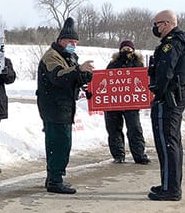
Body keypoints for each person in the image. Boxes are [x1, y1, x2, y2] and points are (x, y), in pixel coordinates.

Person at [36, 18, 94, 194]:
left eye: (75, 42)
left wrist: (84, 76)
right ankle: (55, 179)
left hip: (64, 106)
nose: (73, 45)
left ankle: (53, 177)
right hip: (54, 106)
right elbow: (59, 77)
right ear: (61, 41)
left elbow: (72, 78)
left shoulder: (69, 56)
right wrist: (78, 71)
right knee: (60, 143)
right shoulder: (52, 56)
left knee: (59, 142)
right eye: (70, 42)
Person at [148, 10, 185, 201]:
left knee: (167, 142)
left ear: (166, 23)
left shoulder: (172, 43)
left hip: (170, 96)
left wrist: (157, 92)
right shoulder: (184, 39)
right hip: (179, 93)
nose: (155, 28)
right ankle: (170, 183)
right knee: (173, 141)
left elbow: (165, 70)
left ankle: (171, 189)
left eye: (157, 24)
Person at [104, 40, 150, 165]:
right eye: (124, 49)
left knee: (134, 129)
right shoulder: (113, 64)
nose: (126, 51)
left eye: (128, 49)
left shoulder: (138, 64)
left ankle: (139, 155)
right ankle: (118, 155)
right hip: (114, 103)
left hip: (131, 104)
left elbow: (143, 81)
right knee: (114, 129)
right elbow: (105, 80)